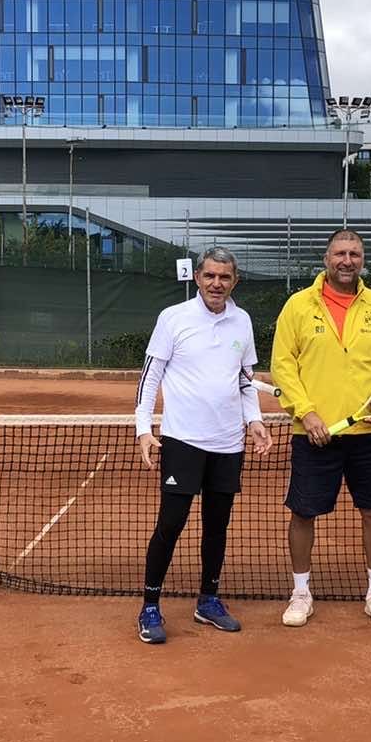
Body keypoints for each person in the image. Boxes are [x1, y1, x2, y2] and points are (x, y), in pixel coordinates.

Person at [134, 246, 273, 644]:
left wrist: (255, 420)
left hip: (228, 443)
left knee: (217, 526)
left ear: (235, 281)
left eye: (224, 277)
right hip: (183, 440)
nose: (216, 283)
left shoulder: (242, 321)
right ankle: (150, 606)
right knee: (171, 524)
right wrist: (144, 428)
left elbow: (245, 379)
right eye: (210, 276)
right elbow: (150, 376)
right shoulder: (173, 318)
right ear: (197, 277)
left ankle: (208, 601)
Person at [270, 229, 371, 627]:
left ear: (362, 260)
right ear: (326, 258)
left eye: (355, 254)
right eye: (340, 253)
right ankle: (300, 593)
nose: (347, 261)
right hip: (314, 434)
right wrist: (306, 412)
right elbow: (283, 365)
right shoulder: (298, 306)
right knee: (303, 513)